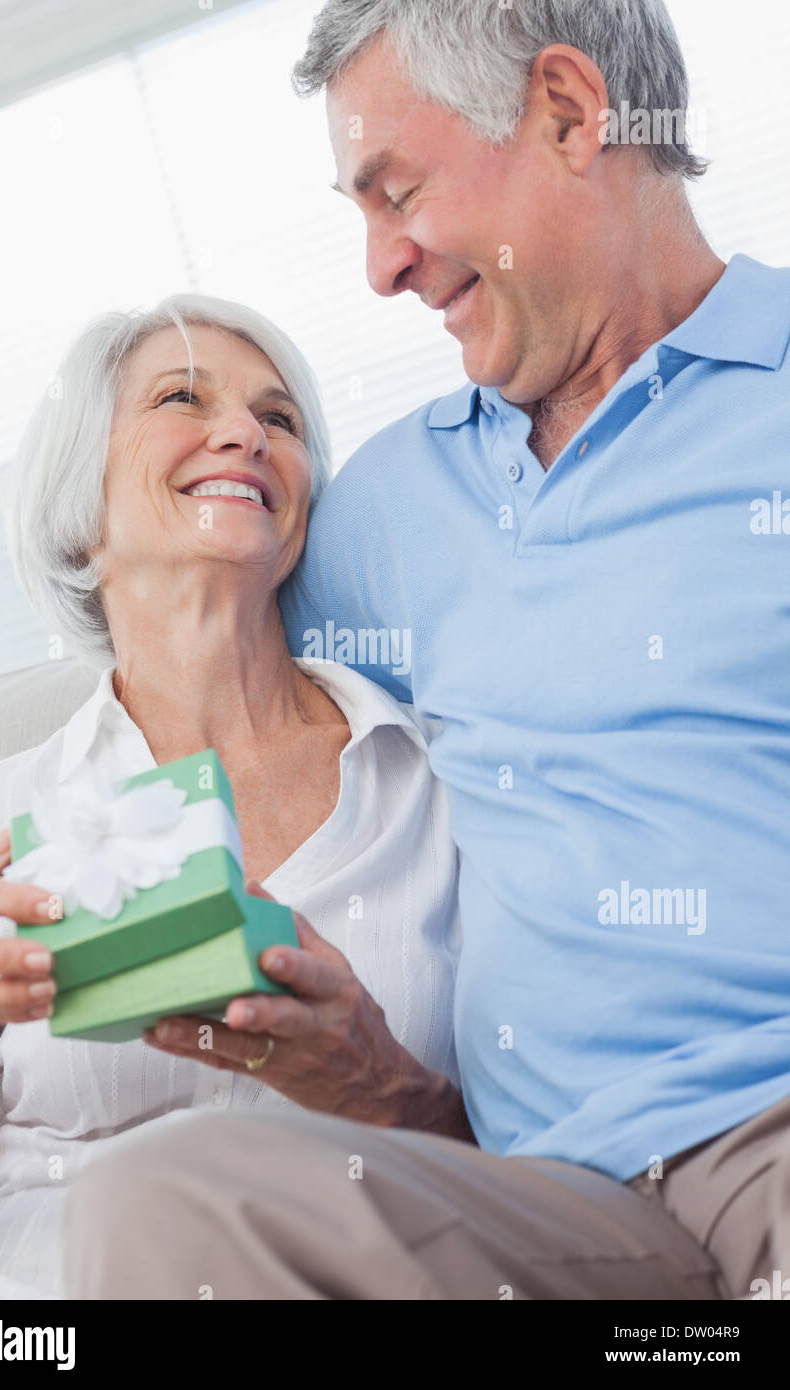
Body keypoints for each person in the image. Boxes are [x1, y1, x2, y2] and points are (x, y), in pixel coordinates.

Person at [60, 0, 790, 1301]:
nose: (380, 267)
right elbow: (193, 651)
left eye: (396, 193)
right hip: (550, 1208)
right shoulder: (387, 514)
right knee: (161, 1203)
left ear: (569, 114)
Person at [0, 295, 463, 1298]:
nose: (243, 434)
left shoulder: (441, 790)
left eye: (282, 420)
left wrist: (387, 1089)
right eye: (182, 396)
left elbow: (539, 1177)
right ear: (80, 518)